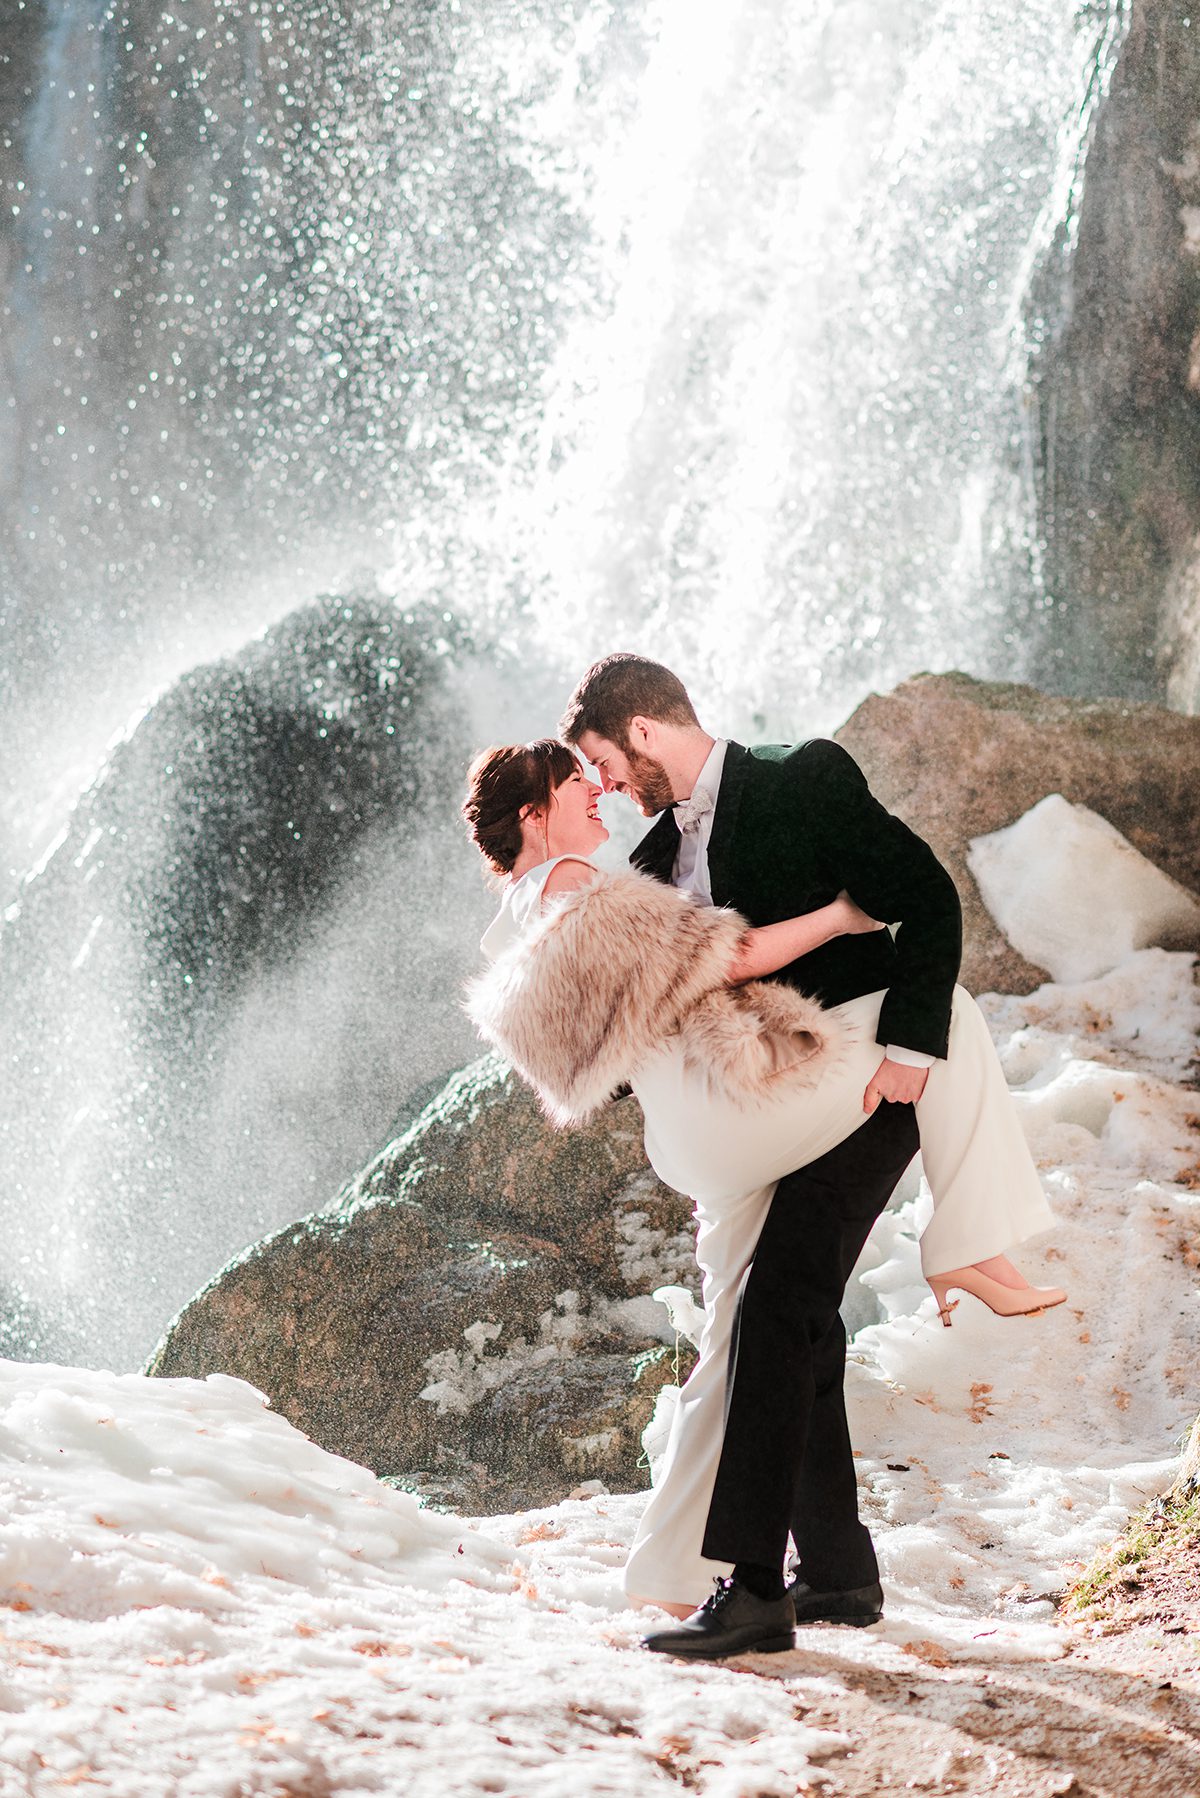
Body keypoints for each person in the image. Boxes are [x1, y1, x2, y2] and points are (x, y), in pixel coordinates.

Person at [463, 683, 1063, 1659]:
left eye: (605, 766)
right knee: (779, 1315)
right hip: (749, 1106)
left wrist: (903, 1050)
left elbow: (928, 902)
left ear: (644, 728)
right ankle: (965, 1252)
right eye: (584, 783)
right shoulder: (628, 869)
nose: (604, 791)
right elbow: (716, 966)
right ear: (536, 812)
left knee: (769, 1316)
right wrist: (831, 919)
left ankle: (803, 1575)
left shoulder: (800, 780)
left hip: (829, 1092)